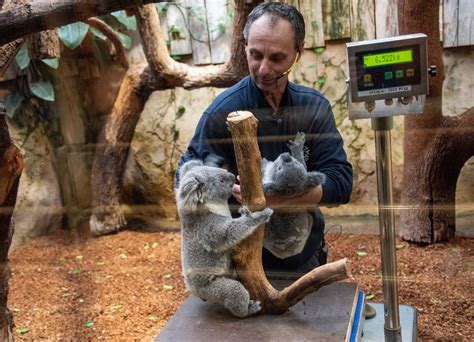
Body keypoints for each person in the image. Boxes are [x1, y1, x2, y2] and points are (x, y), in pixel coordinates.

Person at [176, 2, 352, 279]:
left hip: (303, 257)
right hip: (240, 261)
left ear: (298, 52)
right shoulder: (223, 111)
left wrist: (277, 200)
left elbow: (341, 183)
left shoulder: (314, 108)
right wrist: (219, 194)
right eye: (255, 55)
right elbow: (186, 179)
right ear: (245, 45)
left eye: (277, 58)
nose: (263, 69)